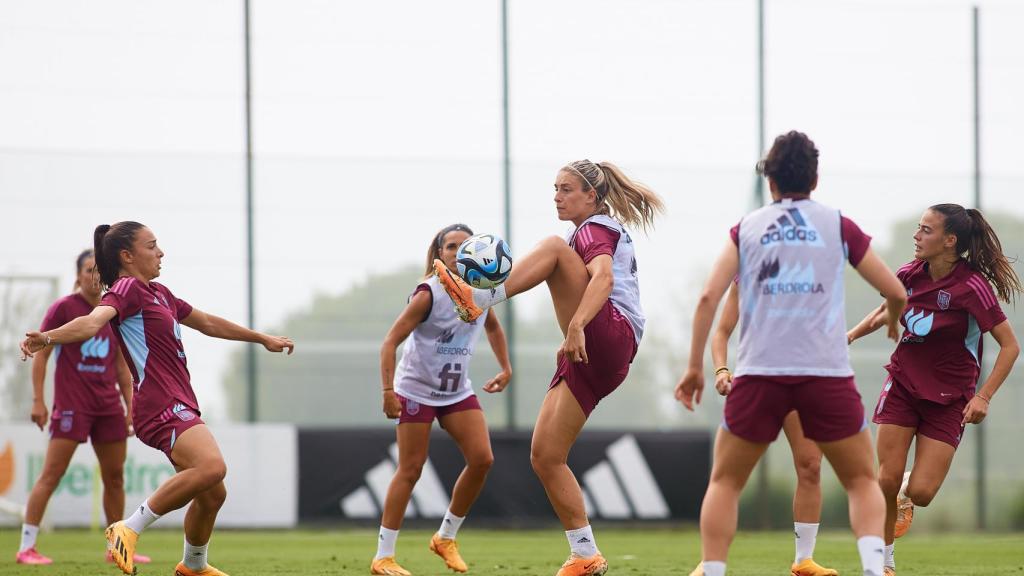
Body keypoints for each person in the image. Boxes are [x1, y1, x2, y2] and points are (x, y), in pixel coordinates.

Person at [676, 131, 907, 576]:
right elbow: (894, 290)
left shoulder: (746, 228)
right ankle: (876, 570)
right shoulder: (838, 225)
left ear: (770, 180)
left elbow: (708, 298)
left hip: (760, 374)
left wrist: (693, 368)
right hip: (825, 374)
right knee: (861, 480)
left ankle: (715, 571)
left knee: (725, 481)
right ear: (815, 179)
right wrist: (895, 318)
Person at [20, 222, 294, 576]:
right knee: (212, 467)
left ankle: (193, 566)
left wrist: (262, 338)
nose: (160, 252)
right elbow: (91, 323)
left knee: (213, 494)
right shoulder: (127, 289)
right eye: (152, 246)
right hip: (159, 403)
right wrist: (48, 337)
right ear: (127, 256)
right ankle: (128, 527)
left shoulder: (159, 293)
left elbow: (208, 323)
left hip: (179, 400)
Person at [434, 160, 663, 576]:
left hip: (610, 335)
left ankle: (479, 299)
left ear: (592, 196)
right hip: (604, 356)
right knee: (545, 454)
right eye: (554, 188)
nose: (557, 196)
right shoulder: (586, 230)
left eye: (566, 189)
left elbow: (605, 280)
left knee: (554, 248)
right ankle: (585, 553)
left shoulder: (593, 228)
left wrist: (577, 325)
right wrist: (573, 332)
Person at [847, 204, 1020, 576]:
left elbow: (1010, 346)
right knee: (885, 478)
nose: (917, 235)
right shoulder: (909, 274)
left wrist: (983, 396)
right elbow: (885, 311)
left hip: (950, 399)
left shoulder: (972, 287)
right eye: (918, 228)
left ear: (950, 241)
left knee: (921, 493)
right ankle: (881, 565)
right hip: (903, 384)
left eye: (926, 230)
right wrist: (848, 336)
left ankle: (910, 490)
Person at [371, 223, 512, 576]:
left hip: (456, 391)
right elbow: (390, 342)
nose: (458, 251)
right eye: (451, 246)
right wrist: (388, 392)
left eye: (466, 246)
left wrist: (505, 368)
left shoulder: (482, 290)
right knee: (411, 468)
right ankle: (383, 557)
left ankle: (445, 537)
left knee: (482, 459)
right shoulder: (428, 294)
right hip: (416, 389)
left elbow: (492, 327)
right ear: (439, 255)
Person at [15, 250, 150, 566]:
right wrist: (38, 400)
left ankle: (117, 546)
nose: (95, 276)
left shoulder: (112, 309)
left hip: (107, 408)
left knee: (115, 477)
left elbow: (121, 368)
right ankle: (26, 547)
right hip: (72, 406)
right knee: (51, 474)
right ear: (77, 276)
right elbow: (41, 353)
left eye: (99, 270)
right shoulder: (63, 308)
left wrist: (131, 406)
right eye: (89, 270)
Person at [698, 280, 837, 576]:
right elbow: (721, 331)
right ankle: (708, 565)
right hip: (757, 380)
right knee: (728, 477)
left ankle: (804, 561)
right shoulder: (746, 272)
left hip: (803, 379)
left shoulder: (813, 269)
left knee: (811, 465)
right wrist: (721, 369)